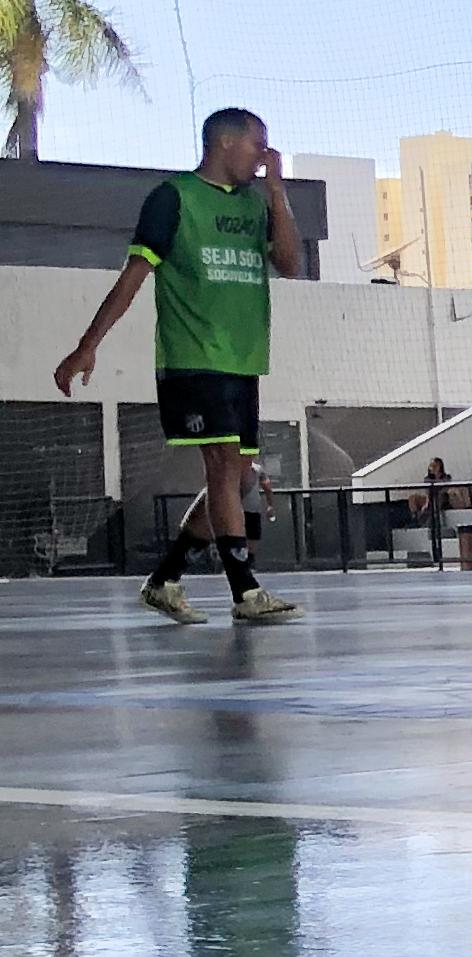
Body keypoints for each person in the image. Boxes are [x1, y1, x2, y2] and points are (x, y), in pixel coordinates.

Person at [52, 107, 305, 626]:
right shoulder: (174, 198)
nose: (265, 157)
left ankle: (164, 580)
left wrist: (278, 193)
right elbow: (133, 276)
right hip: (194, 356)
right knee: (222, 463)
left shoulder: (257, 204)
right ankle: (245, 591)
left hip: (243, 360)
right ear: (225, 144)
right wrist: (88, 344)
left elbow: (289, 264)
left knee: (236, 479)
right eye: (258, 145)